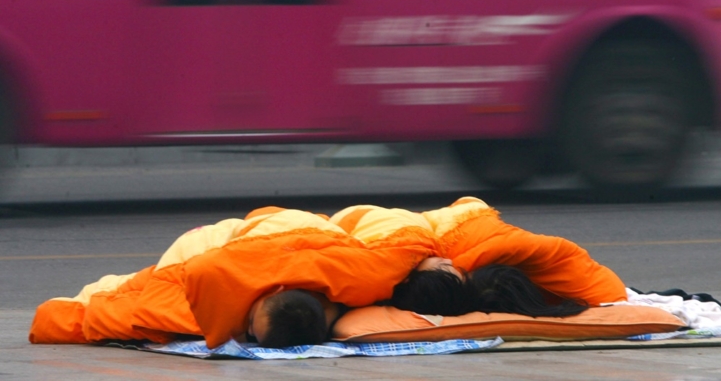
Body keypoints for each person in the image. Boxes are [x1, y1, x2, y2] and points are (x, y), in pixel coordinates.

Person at [30, 207, 439, 348]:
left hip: (270, 225)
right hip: (257, 234)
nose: (240, 324)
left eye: (247, 330)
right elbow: (414, 238)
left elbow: (76, 316)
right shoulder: (366, 276)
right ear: (274, 290)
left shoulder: (195, 310)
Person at [334, 197, 627, 316]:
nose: (449, 262)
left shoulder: (408, 268)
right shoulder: (431, 255)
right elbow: (608, 291)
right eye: (453, 269)